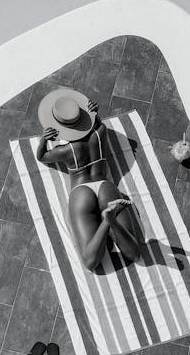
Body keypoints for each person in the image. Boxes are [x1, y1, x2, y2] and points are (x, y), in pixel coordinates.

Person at [37, 89, 141, 272]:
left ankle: (107, 221)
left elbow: (42, 157)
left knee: (90, 262)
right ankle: (112, 220)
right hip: (105, 186)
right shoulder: (101, 132)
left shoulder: (65, 151)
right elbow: (98, 123)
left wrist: (43, 140)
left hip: (80, 191)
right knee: (135, 253)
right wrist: (95, 115)